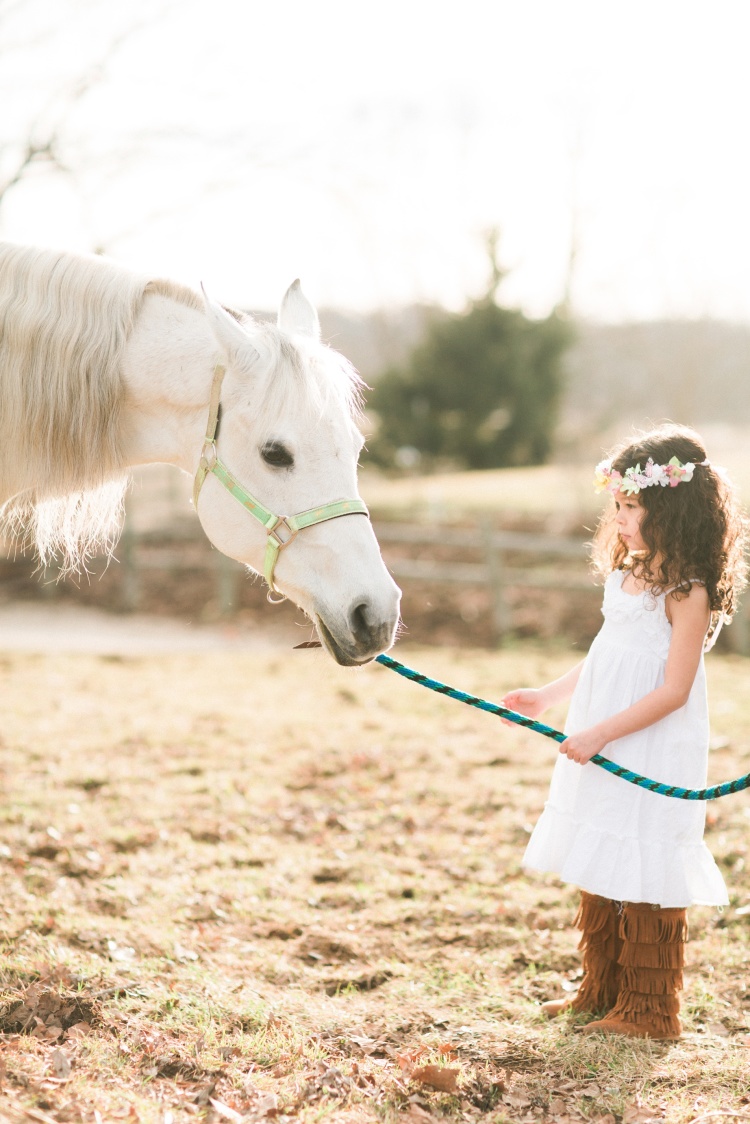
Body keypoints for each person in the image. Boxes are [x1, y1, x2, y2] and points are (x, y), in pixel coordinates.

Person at [501, 424, 747, 1040]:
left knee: (645, 852)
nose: (621, 519)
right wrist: (549, 696)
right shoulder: (629, 573)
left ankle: (650, 1009)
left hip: (649, 739)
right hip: (602, 731)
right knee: (602, 845)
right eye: (617, 505)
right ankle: (600, 988)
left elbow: (673, 689)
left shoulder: (687, 591)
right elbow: (607, 653)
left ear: (672, 508)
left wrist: (601, 734)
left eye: (633, 506)